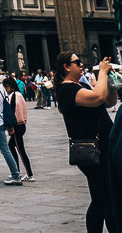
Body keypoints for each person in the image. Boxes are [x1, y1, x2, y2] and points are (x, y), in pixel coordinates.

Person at [55, 52, 118, 233]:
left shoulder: (80, 85)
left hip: (102, 148)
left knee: (99, 200)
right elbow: (97, 98)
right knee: (109, 199)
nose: (81, 65)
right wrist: (102, 73)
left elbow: (107, 102)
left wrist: (112, 84)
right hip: (92, 150)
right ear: (67, 67)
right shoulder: (67, 90)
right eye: (77, 62)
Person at [2, 76, 33, 182]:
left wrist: (11, 126)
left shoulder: (13, 96)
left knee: (21, 150)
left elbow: (13, 112)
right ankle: (17, 170)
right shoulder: (19, 95)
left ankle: (29, 174)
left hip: (17, 126)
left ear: (9, 86)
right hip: (21, 125)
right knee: (11, 146)